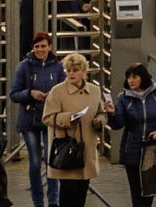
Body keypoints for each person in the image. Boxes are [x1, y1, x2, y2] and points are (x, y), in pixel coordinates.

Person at [107, 62, 156, 207]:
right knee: (137, 193)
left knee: (149, 191)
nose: (131, 80)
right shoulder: (124, 98)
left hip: (153, 150)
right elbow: (117, 125)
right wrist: (113, 113)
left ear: (143, 78)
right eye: (128, 77)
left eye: (135, 77)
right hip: (132, 151)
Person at [42, 52, 107, 207]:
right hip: (66, 151)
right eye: (68, 70)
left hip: (86, 150)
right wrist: (68, 118)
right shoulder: (57, 91)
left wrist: (100, 121)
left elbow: (102, 112)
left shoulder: (95, 90)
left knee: (81, 194)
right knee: (68, 196)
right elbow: (47, 118)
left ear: (84, 71)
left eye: (75, 70)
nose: (71, 73)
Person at [10, 32, 65, 207]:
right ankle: (38, 202)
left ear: (50, 47)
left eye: (43, 46)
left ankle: (54, 200)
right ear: (32, 48)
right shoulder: (23, 67)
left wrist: (53, 96)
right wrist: (30, 93)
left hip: (50, 120)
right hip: (29, 120)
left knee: (51, 161)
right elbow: (14, 94)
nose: (40, 50)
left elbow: (65, 90)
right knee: (34, 163)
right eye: (37, 46)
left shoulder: (58, 67)